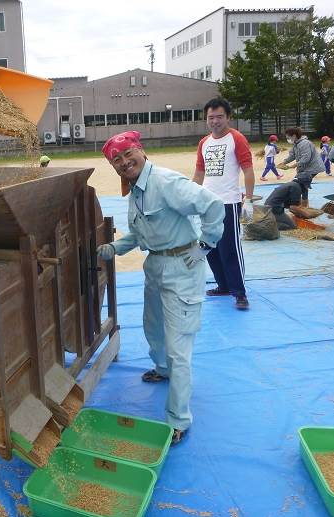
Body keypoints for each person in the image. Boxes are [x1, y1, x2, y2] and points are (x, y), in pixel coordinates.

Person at [96, 130, 224, 444]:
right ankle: (161, 369)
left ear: (141, 151)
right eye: (118, 161)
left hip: (182, 266)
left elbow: (213, 205)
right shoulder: (138, 191)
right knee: (152, 327)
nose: (125, 163)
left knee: (179, 346)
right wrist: (113, 249)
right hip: (155, 265)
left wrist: (205, 245)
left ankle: (178, 419)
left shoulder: (165, 183)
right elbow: (141, 234)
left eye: (128, 155)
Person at [193, 97, 255, 309]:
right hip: (207, 204)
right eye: (211, 117)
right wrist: (192, 197)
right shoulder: (204, 143)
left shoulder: (236, 139)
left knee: (230, 249)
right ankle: (223, 285)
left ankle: (239, 292)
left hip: (228, 203)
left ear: (228, 117)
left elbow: (248, 169)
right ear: (206, 119)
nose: (215, 121)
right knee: (210, 247)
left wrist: (248, 199)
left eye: (220, 116)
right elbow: (199, 172)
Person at [276, 127, 325, 206]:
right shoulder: (296, 144)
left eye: (288, 137)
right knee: (301, 184)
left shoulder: (305, 143)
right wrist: (283, 162)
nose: (287, 139)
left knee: (300, 183)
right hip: (305, 168)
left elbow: (306, 158)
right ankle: (303, 204)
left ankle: (303, 205)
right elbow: (292, 156)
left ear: (294, 136)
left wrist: (293, 166)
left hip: (313, 167)